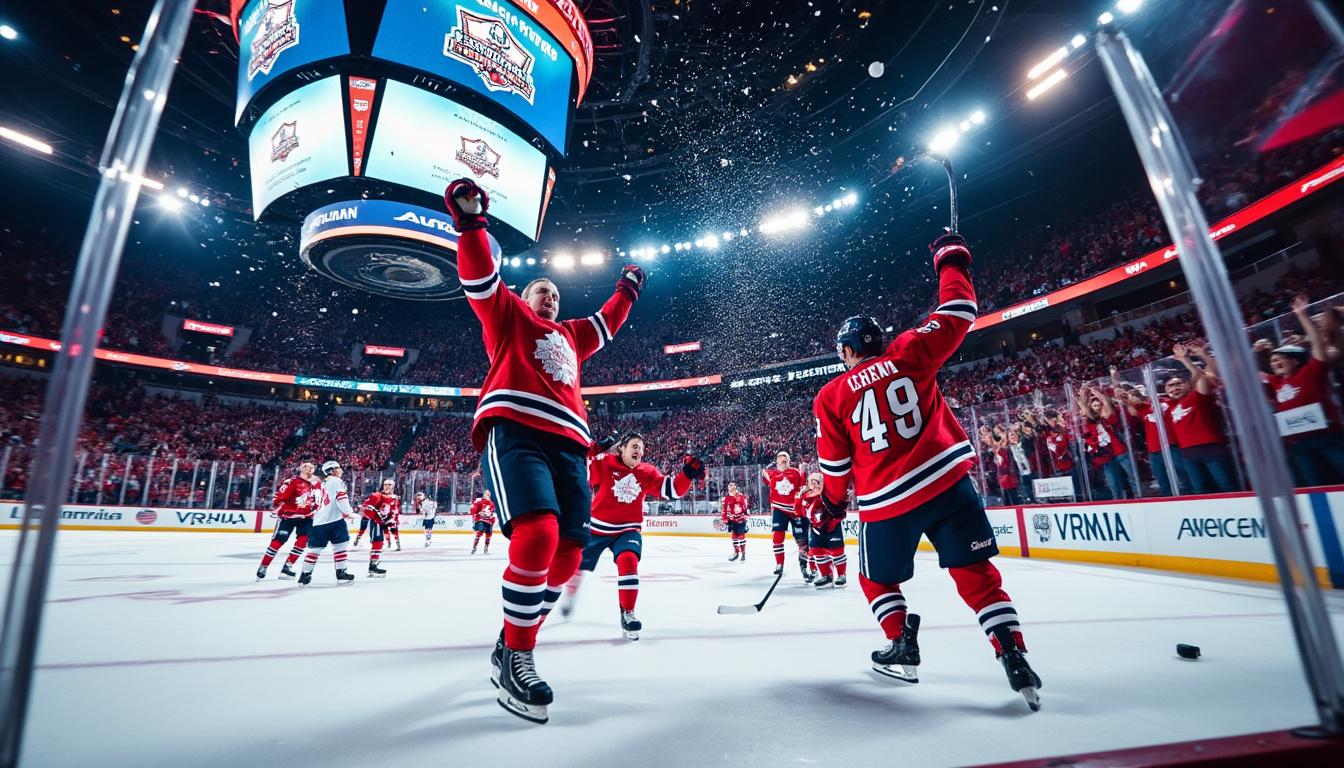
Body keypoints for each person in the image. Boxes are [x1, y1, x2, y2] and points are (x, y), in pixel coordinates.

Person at [812, 232, 1042, 711]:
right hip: (948, 484)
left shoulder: (832, 394)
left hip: (886, 502)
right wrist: (951, 260)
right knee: (976, 574)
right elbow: (959, 312)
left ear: (847, 350)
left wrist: (832, 505)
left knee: (876, 580)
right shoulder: (909, 351)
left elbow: (835, 466)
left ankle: (901, 643)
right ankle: (1013, 654)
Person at [445, 177, 641, 724]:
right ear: (525, 298)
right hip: (515, 429)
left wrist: (627, 288)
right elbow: (481, 277)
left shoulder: (574, 335)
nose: (549, 296)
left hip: (570, 444)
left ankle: (512, 640)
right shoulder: (508, 316)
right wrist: (472, 222)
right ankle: (520, 656)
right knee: (538, 533)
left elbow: (608, 322)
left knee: (569, 551)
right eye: (541, 291)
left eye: (555, 293)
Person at [558, 433, 702, 639]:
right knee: (576, 564)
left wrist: (687, 474)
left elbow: (672, 490)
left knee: (629, 561)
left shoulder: (647, 472)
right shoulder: (604, 463)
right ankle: (570, 594)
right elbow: (579, 467)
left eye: (642, 448)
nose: (639, 451)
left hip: (628, 529)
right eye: (634, 446)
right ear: (621, 449)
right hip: (596, 528)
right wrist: (595, 448)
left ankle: (628, 613)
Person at [1263, 295, 1344, 485]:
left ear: (1295, 360)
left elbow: (1318, 346)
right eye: (1272, 361)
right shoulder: (1275, 381)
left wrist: (1302, 315)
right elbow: (1251, 372)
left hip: (1326, 436)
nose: (1275, 362)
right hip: (1298, 443)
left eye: (1279, 358)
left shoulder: (1312, 370)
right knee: (1313, 485)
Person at [1170, 342, 1240, 493]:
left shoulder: (1198, 396)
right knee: (1200, 491)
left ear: (1189, 385)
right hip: (1188, 454)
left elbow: (1202, 378)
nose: (1174, 388)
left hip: (1211, 449)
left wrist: (1185, 360)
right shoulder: (1171, 407)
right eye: (1170, 386)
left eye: (1178, 384)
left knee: (1227, 487)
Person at [255, 460, 320, 581]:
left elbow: (320, 500)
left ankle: (287, 567)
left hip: (307, 518)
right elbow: (279, 499)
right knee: (278, 542)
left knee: (302, 543)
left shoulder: (317, 484)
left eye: (311, 466)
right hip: (288, 517)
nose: (308, 468)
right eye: (305, 465)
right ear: (300, 468)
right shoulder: (291, 482)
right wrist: (281, 507)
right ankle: (263, 566)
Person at [298, 460, 356, 586]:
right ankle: (341, 574)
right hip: (335, 520)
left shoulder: (318, 484)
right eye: (339, 468)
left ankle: (304, 576)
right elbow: (341, 498)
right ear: (333, 470)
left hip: (318, 522)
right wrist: (348, 512)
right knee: (340, 547)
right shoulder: (336, 481)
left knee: (314, 550)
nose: (341, 470)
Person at [761, 451, 810, 581]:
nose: (784, 463)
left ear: (789, 461)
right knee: (777, 537)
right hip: (779, 509)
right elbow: (764, 473)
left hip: (796, 510)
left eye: (786, 460)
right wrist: (767, 468)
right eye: (781, 460)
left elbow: (804, 488)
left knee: (802, 541)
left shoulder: (797, 472)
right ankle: (779, 564)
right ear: (776, 462)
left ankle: (805, 567)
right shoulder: (771, 474)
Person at [800, 472, 846, 589]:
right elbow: (800, 513)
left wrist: (835, 519)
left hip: (832, 527)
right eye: (812, 481)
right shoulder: (804, 496)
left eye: (817, 481)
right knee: (817, 551)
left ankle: (841, 575)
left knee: (836, 551)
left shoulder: (829, 495)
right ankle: (826, 576)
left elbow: (841, 510)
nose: (814, 484)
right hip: (815, 529)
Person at [359, 479, 397, 578]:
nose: (387, 486)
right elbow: (366, 507)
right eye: (385, 484)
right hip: (376, 523)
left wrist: (389, 520)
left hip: (382, 523)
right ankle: (372, 567)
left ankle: (374, 565)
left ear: (393, 486)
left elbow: (390, 511)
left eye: (389, 484)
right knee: (377, 543)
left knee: (379, 543)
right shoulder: (377, 495)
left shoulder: (392, 498)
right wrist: (375, 517)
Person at [720, 481, 750, 561]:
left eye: (732, 486)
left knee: (741, 535)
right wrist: (725, 519)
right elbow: (724, 510)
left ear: (735, 487)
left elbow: (746, 507)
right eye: (729, 486)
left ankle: (743, 553)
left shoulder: (741, 497)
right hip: (732, 520)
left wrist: (746, 517)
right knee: (734, 536)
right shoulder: (725, 499)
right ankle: (736, 553)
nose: (731, 487)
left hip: (741, 519)